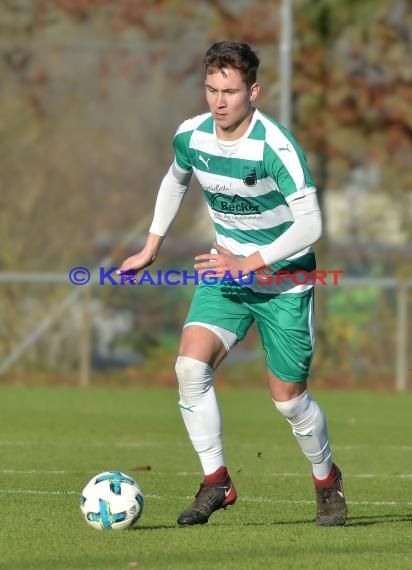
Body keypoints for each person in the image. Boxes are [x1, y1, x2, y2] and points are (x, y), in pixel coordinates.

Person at [118, 41, 348, 527]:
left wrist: (250, 263)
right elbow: (175, 179)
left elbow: (311, 225)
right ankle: (216, 481)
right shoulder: (192, 136)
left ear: (253, 91)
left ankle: (327, 480)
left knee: (289, 401)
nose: (219, 101)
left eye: (230, 91)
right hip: (226, 274)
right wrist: (152, 245)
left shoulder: (275, 147)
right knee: (188, 366)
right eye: (211, 89)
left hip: (284, 281)